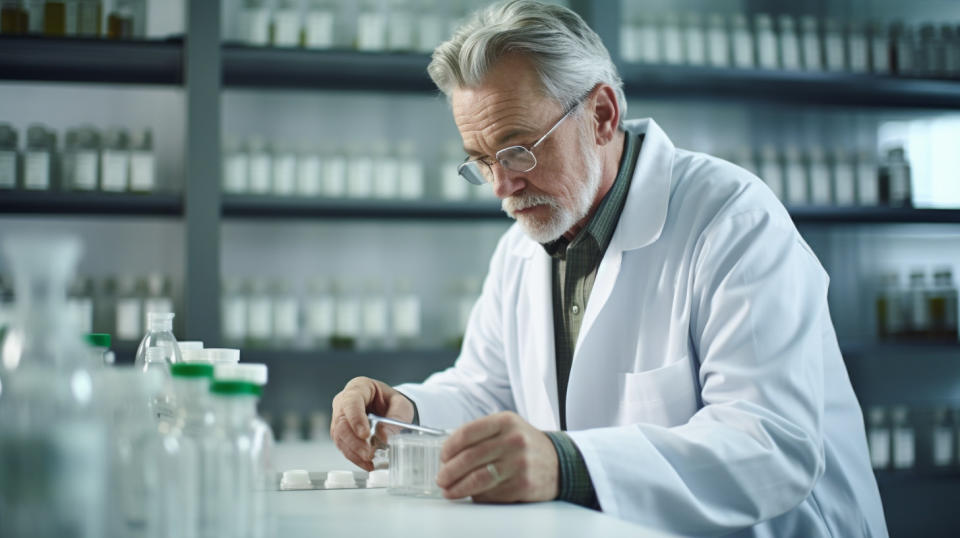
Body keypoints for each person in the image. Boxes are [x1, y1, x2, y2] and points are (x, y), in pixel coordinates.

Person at [331, 1, 887, 536]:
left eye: (518, 150)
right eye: (481, 161)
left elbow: (769, 443)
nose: (501, 186)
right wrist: (405, 412)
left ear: (601, 115)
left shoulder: (732, 220)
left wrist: (568, 464)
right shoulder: (521, 249)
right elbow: (487, 391)